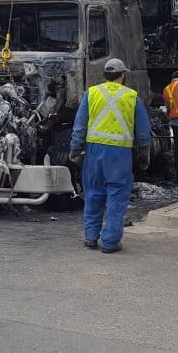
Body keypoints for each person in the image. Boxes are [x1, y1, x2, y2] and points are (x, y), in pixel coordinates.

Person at [69, 58, 150, 253]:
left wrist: (75, 148)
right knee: (116, 196)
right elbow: (143, 131)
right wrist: (144, 152)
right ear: (123, 75)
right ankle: (110, 242)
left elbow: (80, 125)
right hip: (119, 154)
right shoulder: (132, 97)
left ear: (105, 75)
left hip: (94, 151)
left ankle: (90, 236)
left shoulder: (92, 93)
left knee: (93, 194)